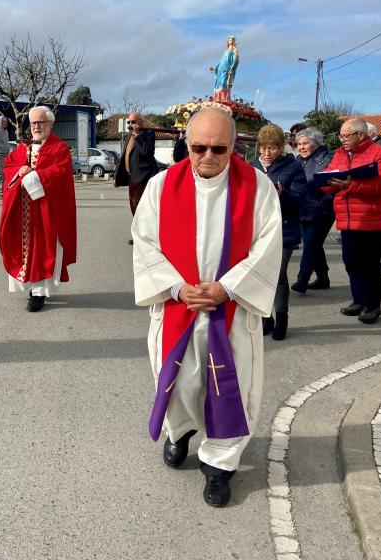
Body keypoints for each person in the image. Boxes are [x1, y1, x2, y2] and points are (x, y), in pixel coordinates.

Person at [132, 108, 282, 507]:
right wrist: (177, 288)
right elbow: (145, 242)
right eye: (199, 147)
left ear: (234, 147)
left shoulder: (258, 188)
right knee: (179, 382)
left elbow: (267, 247)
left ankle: (218, 465)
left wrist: (228, 288)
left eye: (220, 148)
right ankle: (179, 432)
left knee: (227, 387)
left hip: (230, 311)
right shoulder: (162, 186)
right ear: (187, 143)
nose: (208, 156)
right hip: (178, 307)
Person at [0, 106, 76, 313]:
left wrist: (33, 175)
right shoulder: (24, 147)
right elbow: (9, 166)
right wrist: (20, 170)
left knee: (43, 250)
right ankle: (30, 287)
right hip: (23, 211)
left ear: (50, 124)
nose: (36, 126)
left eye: (40, 122)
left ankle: (39, 293)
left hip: (45, 210)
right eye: (33, 123)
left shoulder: (59, 148)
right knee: (24, 250)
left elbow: (59, 174)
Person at [322, 118, 381, 324]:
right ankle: (358, 300)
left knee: (369, 265)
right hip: (347, 220)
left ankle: (372, 305)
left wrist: (349, 186)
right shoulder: (340, 154)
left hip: (372, 220)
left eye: (346, 136)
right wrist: (325, 182)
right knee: (351, 262)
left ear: (361, 135)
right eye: (341, 136)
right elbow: (330, 174)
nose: (342, 140)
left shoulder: (380, 152)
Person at [251, 125, 306, 340]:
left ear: (281, 148)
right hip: (257, 230)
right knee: (259, 274)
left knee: (278, 274)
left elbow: (300, 198)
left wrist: (283, 193)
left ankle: (282, 317)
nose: (266, 153)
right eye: (263, 148)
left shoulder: (292, 167)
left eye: (272, 148)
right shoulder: (252, 166)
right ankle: (266, 318)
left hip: (284, 228)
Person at [292, 127, 334, 293]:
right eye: (299, 144)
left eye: (305, 143)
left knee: (310, 244)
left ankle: (302, 279)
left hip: (321, 210)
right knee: (314, 244)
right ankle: (323, 277)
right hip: (302, 209)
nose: (301, 147)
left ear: (316, 143)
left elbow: (332, 186)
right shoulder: (298, 160)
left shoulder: (327, 159)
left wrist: (322, 204)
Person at [114, 111, 158, 243]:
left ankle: (147, 236)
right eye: (129, 122)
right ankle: (140, 235)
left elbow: (146, 151)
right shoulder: (130, 137)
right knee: (133, 207)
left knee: (140, 207)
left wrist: (138, 135)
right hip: (132, 177)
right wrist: (118, 178)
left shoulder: (148, 134)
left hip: (144, 177)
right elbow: (124, 158)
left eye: (133, 122)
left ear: (141, 122)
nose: (131, 125)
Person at [210, 36, 239, 103]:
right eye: (230, 40)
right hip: (221, 68)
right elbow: (221, 61)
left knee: (224, 83)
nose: (232, 41)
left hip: (227, 68)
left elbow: (236, 60)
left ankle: (224, 99)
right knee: (219, 83)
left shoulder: (234, 50)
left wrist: (232, 68)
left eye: (233, 40)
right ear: (228, 42)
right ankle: (217, 99)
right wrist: (215, 68)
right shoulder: (226, 51)